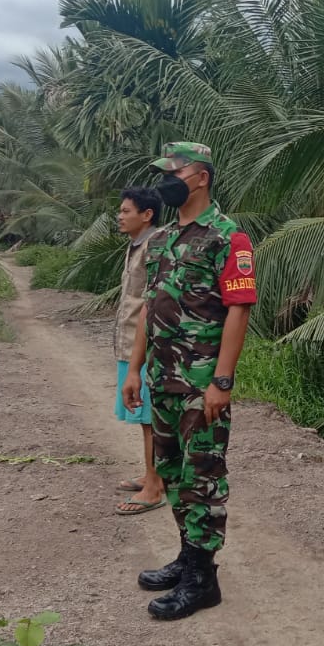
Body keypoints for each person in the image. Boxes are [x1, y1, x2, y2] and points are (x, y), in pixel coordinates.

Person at [122, 141, 256, 620]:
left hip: (201, 383)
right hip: (162, 380)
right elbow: (149, 307)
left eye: (174, 173)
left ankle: (203, 579)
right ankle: (186, 556)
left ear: (201, 177)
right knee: (174, 472)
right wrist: (134, 368)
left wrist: (222, 380)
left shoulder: (228, 237)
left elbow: (239, 309)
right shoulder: (161, 239)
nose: (166, 182)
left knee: (203, 477)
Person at [113, 186, 166, 516]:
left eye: (126, 211)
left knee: (150, 419)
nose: (119, 216)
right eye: (120, 211)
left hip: (144, 345)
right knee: (144, 419)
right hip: (129, 343)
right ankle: (150, 474)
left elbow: (153, 301)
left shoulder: (155, 245)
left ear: (147, 215)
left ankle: (155, 487)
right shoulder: (135, 244)